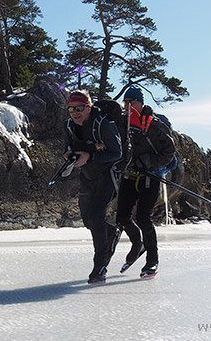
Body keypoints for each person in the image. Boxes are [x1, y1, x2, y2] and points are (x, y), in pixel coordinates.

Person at [63, 90, 123, 284]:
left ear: (88, 107)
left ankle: (100, 266)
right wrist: (69, 155)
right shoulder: (70, 126)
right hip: (88, 176)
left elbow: (118, 153)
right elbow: (67, 147)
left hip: (107, 176)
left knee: (96, 216)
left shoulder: (104, 125)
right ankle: (111, 234)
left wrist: (91, 156)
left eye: (79, 108)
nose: (75, 112)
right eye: (71, 109)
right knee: (89, 220)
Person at [116, 85, 176, 278]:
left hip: (150, 176)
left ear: (141, 103)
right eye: (125, 102)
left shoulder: (154, 125)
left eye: (131, 102)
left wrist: (148, 162)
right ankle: (137, 243)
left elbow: (169, 152)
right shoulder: (122, 124)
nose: (127, 106)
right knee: (122, 218)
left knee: (143, 218)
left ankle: (152, 261)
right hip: (129, 175)